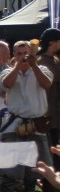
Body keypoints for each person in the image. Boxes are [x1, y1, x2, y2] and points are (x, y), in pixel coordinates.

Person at [0, 40, 53, 192]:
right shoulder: (8, 71)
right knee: (11, 162)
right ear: (14, 55)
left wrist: (33, 66)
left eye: (25, 53)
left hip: (36, 122)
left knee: (34, 163)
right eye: (19, 53)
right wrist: (17, 67)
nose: (23, 57)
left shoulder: (42, 69)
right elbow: (6, 84)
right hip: (16, 121)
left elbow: (46, 84)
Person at [36, 28, 60, 175]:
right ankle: (49, 187)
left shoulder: (54, 60)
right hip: (47, 115)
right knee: (49, 152)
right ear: (52, 42)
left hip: (55, 114)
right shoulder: (42, 61)